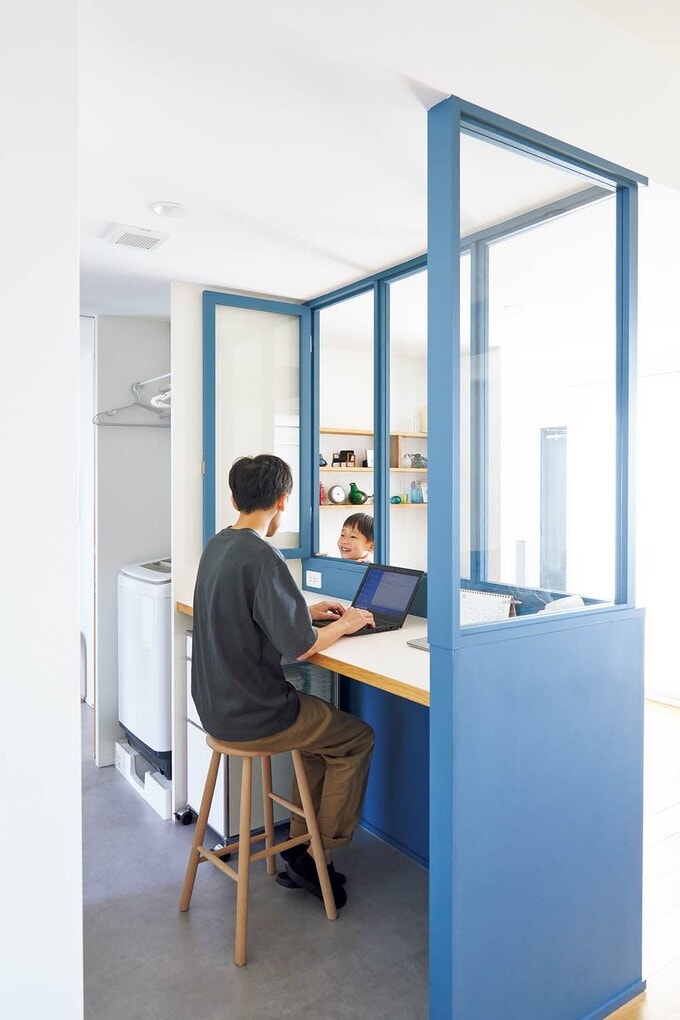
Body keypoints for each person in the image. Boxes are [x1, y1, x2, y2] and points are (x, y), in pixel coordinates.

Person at [191, 454, 375, 910]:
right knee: (356, 739)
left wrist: (303, 612)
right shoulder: (263, 556)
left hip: (215, 708)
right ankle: (317, 855)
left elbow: (247, 612)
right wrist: (346, 622)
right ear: (282, 501)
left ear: (233, 498)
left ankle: (299, 841)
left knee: (317, 738)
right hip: (256, 714)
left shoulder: (217, 545)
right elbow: (302, 648)